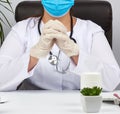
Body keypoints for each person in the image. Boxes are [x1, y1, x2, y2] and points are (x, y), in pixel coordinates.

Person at [0, 0, 120, 91]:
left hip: (79, 105)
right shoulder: (22, 30)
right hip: (34, 106)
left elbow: (112, 81)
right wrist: (33, 56)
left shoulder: (92, 31)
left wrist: (76, 54)